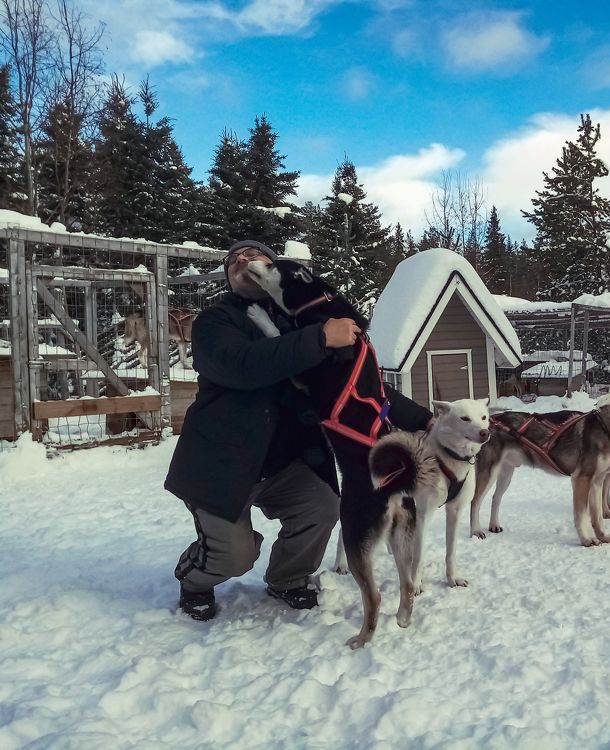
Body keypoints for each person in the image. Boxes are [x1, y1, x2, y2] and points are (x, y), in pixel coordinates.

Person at [164, 239, 431, 621]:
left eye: (254, 255)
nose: (243, 260)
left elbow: (361, 381)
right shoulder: (215, 322)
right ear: (228, 279)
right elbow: (241, 364)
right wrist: (321, 339)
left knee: (322, 507)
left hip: (285, 462)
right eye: (233, 260)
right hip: (224, 463)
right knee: (235, 556)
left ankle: (288, 578)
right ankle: (194, 580)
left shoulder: (300, 319)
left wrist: (424, 420)